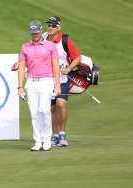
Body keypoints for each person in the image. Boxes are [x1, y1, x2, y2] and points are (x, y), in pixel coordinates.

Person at [17, 20, 61, 151]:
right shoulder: (25, 47)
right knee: (34, 113)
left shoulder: (50, 46)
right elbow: (22, 66)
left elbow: (56, 66)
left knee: (45, 110)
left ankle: (47, 139)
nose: (34, 35)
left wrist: (57, 85)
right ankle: (38, 141)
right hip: (31, 82)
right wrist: (20, 86)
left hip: (47, 81)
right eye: (32, 33)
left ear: (41, 31)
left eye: (36, 32)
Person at [44, 16, 81, 147]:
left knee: (60, 104)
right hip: (47, 79)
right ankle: (54, 136)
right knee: (51, 108)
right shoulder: (43, 39)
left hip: (63, 79)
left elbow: (77, 58)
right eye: (49, 25)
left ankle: (62, 134)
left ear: (58, 28)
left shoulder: (65, 40)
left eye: (53, 26)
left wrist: (69, 68)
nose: (50, 27)